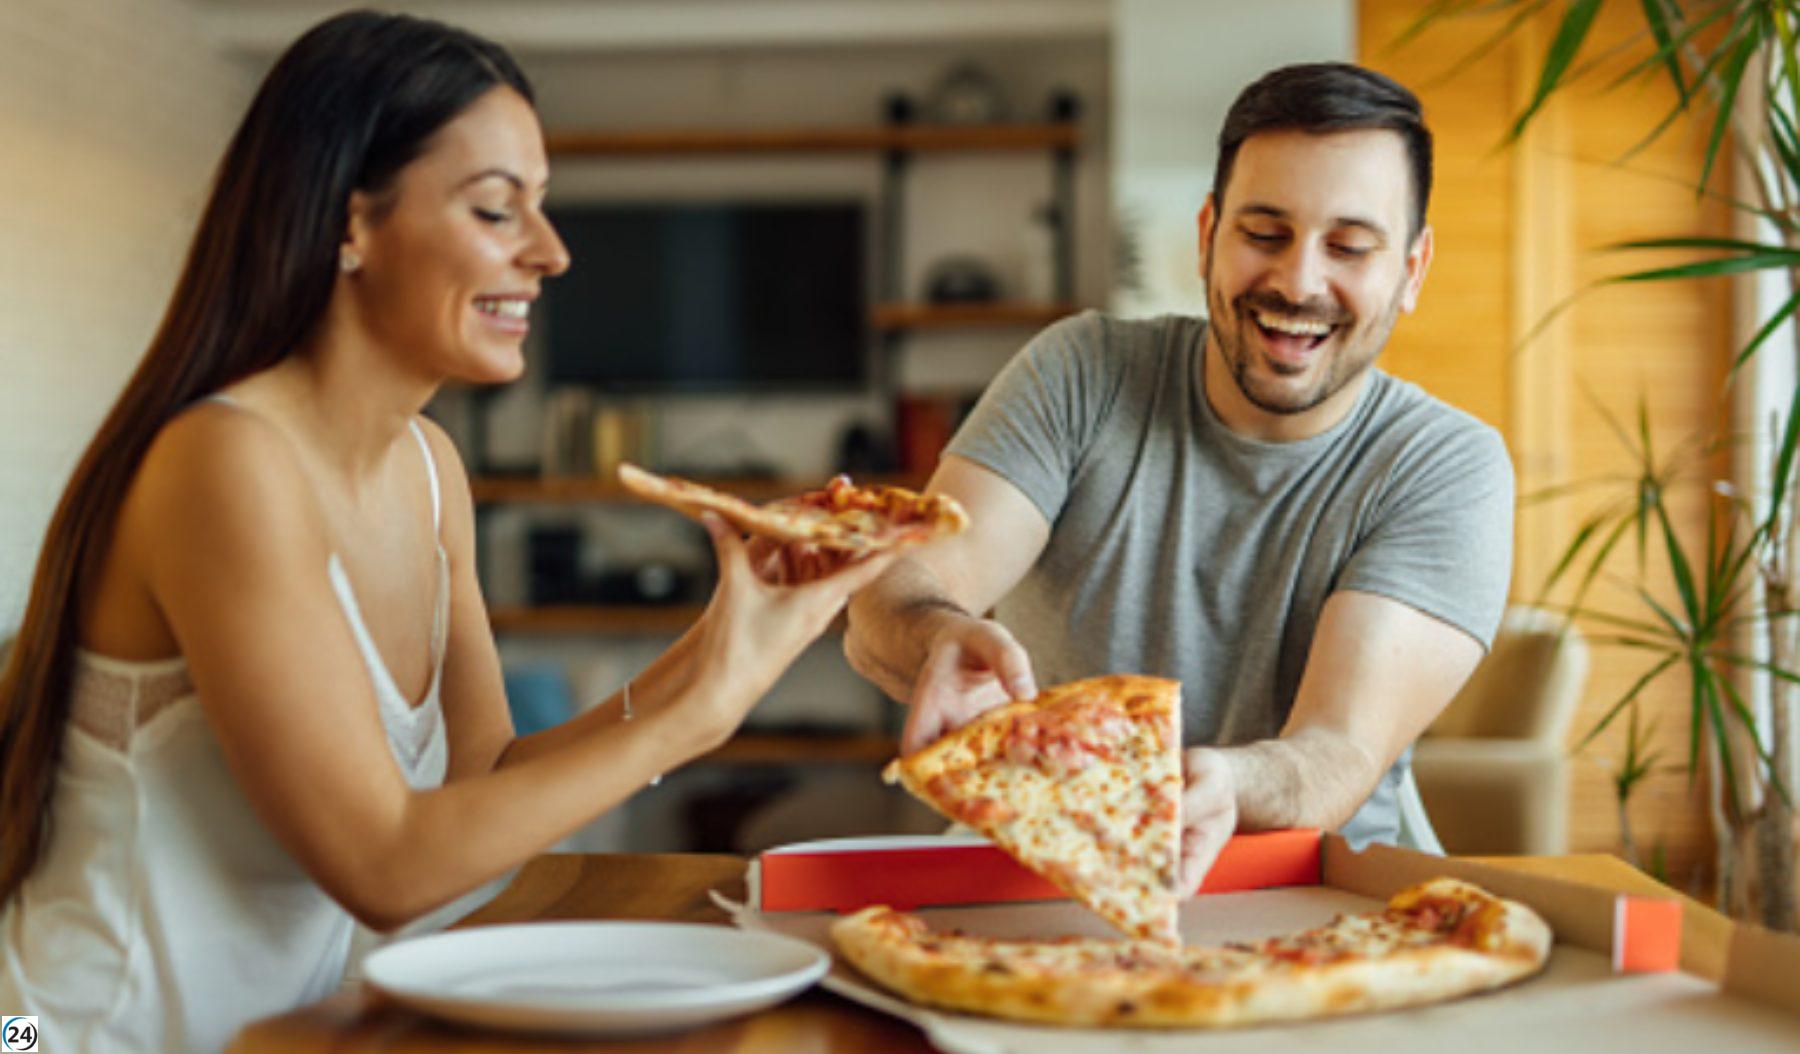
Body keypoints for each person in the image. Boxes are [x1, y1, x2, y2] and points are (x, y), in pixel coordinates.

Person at [0, 12, 898, 1052]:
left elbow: (480, 804)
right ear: (352, 223)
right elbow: (387, 866)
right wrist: (702, 713)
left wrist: (733, 643)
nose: (552, 253)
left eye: (543, 209)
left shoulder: (431, 469)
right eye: (494, 209)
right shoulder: (226, 463)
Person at [845, 63, 1514, 892]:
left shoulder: (1446, 466)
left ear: (1411, 270)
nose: (1300, 281)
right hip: (1043, 872)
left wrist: (1219, 785)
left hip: (1311, 897)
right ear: (1208, 235)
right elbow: (889, 596)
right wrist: (938, 634)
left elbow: (1337, 753)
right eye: (1264, 233)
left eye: (1349, 246)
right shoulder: (1078, 373)